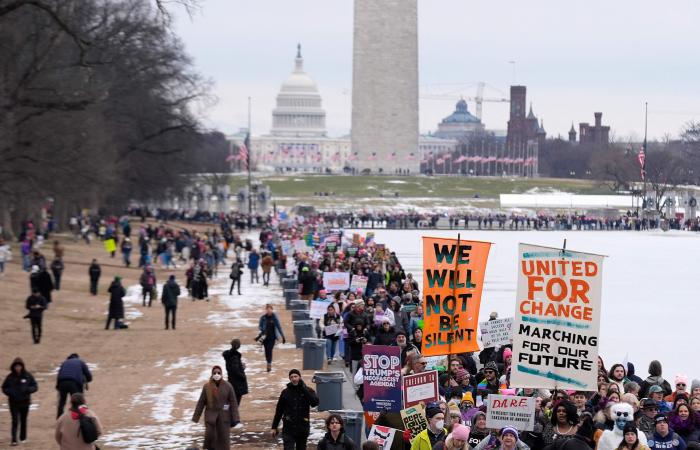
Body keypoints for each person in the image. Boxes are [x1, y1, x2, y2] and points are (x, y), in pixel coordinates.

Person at [192, 366, 240, 449]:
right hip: (211, 418)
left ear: (221, 374)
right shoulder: (207, 387)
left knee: (223, 439)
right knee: (211, 439)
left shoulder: (228, 386)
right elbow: (201, 402)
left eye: (218, 373)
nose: (216, 375)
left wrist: (236, 418)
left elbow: (233, 402)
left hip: (224, 417)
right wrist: (195, 417)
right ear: (212, 374)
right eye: (214, 373)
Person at [271, 369, 319, 450]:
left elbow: (314, 403)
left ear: (300, 377)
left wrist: (303, 389)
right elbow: (279, 411)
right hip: (288, 428)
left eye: (295, 376)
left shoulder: (308, 390)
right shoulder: (285, 392)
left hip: (302, 427)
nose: (294, 379)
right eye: (291, 377)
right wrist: (274, 427)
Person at [2, 358, 38, 446]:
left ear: (22, 367)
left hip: (25, 402)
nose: (17, 368)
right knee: (15, 421)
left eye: (19, 366)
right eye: (16, 366)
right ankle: (14, 440)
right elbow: (4, 387)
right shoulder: (10, 377)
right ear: (13, 367)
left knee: (23, 420)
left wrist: (28, 390)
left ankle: (23, 437)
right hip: (13, 403)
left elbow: (35, 386)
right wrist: (10, 392)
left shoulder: (28, 376)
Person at [56, 354, 93, 418]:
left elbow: (59, 374)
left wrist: (58, 386)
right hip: (74, 383)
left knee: (62, 402)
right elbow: (88, 375)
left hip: (62, 383)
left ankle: (59, 418)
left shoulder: (65, 363)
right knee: (78, 401)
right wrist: (87, 380)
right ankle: (81, 417)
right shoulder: (80, 362)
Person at [258, 304, 286, 373]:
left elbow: (279, 327)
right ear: (266, 310)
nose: (269, 311)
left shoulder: (274, 318)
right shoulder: (263, 318)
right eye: (267, 309)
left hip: (272, 337)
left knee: (270, 350)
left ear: (272, 310)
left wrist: (283, 336)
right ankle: (268, 361)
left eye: (270, 309)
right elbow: (260, 326)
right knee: (266, 351)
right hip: (264, 337)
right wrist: (262, 329)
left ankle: (269, 364)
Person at [222, 339, 248, 409]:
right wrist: (243, 376)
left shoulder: (229, 355)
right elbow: (235, 370)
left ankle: (225, 414)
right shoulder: (235, 357)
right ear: (238, 346)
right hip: (237, 384)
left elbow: (233, 368)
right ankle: (230, 417)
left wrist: (240, 367)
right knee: (235, 403)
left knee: (229, 400)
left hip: (231, 381)